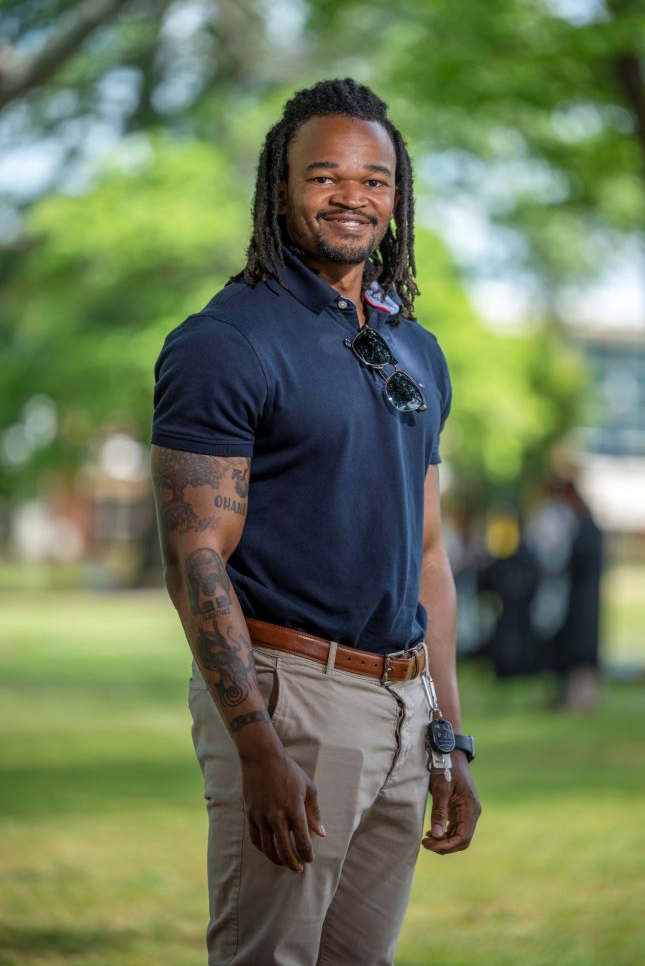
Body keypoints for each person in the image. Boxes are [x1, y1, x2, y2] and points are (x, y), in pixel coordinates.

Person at [150, 78, 481, 966]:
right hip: (292, 698)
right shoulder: (226, 341)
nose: (352, 197)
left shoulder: (411, 344)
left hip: (405, 707)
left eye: (375, 181)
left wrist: (449, 736)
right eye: (324, 176)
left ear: (397, 196)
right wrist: (255, 743)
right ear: (278, 186)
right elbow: (195, 560)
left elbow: (428, 559)